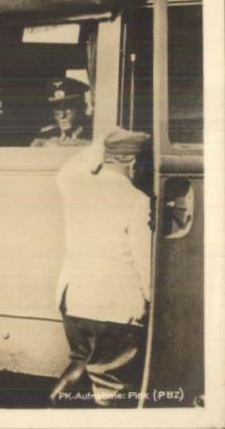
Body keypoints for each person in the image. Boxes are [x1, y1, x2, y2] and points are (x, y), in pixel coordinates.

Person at [50, 128, 152, 407]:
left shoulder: (75, 185)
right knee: (111, 388)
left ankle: (53, 408)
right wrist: (152, 299)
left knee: (81, 363)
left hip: (75, 302)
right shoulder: (138, 201)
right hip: (113, 309)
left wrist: (103, 143)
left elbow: (72, 165)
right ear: (133, 163)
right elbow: (143, 260)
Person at [31, 78, 92, 147]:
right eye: (57, 108)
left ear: (82, 108)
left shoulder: (94, 137)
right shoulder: (43, 139)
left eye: (68, 107)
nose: (62, 115)